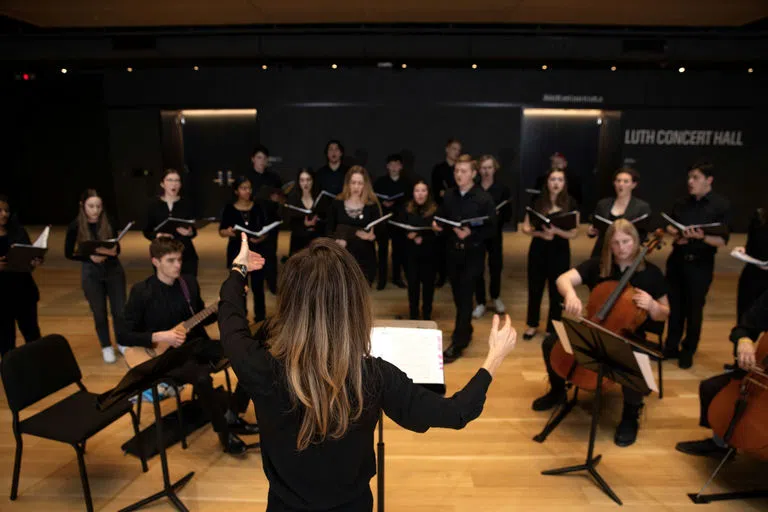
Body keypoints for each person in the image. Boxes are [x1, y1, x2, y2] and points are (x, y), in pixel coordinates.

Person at [219, 234, 518, 511]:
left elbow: (231, 319)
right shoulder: (374, 377)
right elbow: (457, 412)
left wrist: (239, 270)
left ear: (289, 303)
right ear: (354, 303)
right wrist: (493, 358)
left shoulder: (257, 367)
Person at [532, 219, 670, 446]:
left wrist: (654, 307)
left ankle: (630, 415)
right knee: (550, 343)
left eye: (626, 241)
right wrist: (570, 295)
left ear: (636, 241)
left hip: (628, 336)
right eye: (615, 243)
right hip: (594, 328)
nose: (622, 247)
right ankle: (557, 391)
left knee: (634, 363)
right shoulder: (598, 265)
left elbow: (665, 313)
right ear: (609, 245)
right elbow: (562, 279)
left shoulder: (651, 274)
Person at [118, 237, 258, 455]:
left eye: (180, 260)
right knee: (202, 377)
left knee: (248, 354)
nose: (177, 265)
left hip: (195, 344)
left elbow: (202, 318)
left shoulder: (188, 283)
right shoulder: (141, 292)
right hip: (166, 358)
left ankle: (234, 413)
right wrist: (160, 336)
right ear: (155, 261)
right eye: (171, 260)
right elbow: (123, 334)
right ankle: (224, 433)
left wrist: (231, 302)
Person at [675, 287, 766, 458]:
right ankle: (720, 445)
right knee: (711, 388)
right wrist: (744, 340)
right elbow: (744, 327)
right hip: (762, 377)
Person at [663, 162, 730, 369]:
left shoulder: (720, 205)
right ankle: (670, 346)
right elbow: (669, 224)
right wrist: (677, 233)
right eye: (689, 177)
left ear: (708, 180)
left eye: (695, 178)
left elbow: (722, 240)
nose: (690, 182)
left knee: (694, 308)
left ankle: (688, 349)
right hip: (677, 261)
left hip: (700, 264)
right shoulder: (682, 202)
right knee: (674, 306)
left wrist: (701, 238)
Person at [433, 154, 497, 363]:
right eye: (456, 171)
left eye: (463, 171)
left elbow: (492, 228)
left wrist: (471, 234)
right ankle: (466, 328)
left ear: (473, 173)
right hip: (452, 252)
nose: (459, 175)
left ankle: (458, 342)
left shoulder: (483, 198)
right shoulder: (449, 195)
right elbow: (441, 216)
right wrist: (437, 226)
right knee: (458, 295)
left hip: (473, 253)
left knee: (465, 294)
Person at [65, 189, 126, 364]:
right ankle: (106, 345)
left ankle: (122, 341)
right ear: (83, 206)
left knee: (119, 310)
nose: (95, 210)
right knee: (99, 312)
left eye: (98, 206)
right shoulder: (75, 225)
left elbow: (118, 248)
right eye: (91, 206)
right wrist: (89, 257)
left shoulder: (109, 221)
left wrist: (112, 251)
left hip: (113, 270)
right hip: (91, 273)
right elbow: (69, 253)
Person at [521, 168, 579, 341]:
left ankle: (552, 326)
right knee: (535, 287)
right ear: (547, 182)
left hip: (560, 249)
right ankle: (532, 324)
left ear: (564, 183)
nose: (556, 183)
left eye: (560, 180)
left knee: (557, 290)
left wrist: (556, 231)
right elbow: (525, 227)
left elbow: (574, 232)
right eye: (553, 179)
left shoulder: (570, 202)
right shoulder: (537, 201)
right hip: (538, 248)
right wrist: (540, 234)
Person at [219, 176, 273, 324]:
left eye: (249, 188)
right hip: (236, 251)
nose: (247, 191)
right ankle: (241, 318)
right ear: (236, 190)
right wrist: (229, 232)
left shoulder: (257, 207)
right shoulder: (230, 208)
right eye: (243, 188)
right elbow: (222, 231)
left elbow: (265, 229)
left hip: (256, 250)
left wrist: (260, 237)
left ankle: (260, 319)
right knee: (239, 287)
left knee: (258, 287)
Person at [0, 195, 42, 356]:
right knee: (5, 339)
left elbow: (27, 260)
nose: (4, 214)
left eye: (6, 210)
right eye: (0, 210)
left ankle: (39, 371)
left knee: (32, 335)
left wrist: (33, 261)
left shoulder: (18, 231)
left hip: (24, 292)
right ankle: (13, 375)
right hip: (2, 297)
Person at [327, 166, 382, 285]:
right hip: (342, 259)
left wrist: (373, 236)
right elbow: (329, 229)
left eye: (360, 183)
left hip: (364, 259)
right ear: (348, 183)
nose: (356, 187)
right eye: (353, 183)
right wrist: (337, 239)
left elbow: (380, 232)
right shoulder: (337, 203)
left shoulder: (371, 205)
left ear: (365, 185)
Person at [473, 155, 512, 319]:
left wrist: (497, 215)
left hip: (495, 233)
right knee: (477, 268)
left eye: (489, 167)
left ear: (494, 169)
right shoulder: (474, 189)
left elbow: (508, 215)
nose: (486, 171)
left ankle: (495, 297)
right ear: (478, 170)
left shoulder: (502, 189)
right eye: (483, 167)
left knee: (496, 266)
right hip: (478, 234)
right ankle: (480, 302)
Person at [142, 169, 199, 277]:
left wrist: (190, 232)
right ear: (162, 184)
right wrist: (158, 235)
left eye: (177, 180)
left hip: (185, 252)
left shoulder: (186, 203)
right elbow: (146, 230)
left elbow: (193, 230)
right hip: (162, 253)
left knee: (188, 286)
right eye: (170, 180)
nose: (174, 184)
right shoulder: (153, 205)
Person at [587, 167, 652, 258]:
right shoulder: (603, 204)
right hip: (603, 250)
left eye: (625, 181)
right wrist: (591, 230)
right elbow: (595, 225)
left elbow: (643, 235)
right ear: (614, 183)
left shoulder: (642, 207)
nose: (621, 184)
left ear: (633, 185)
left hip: (627, 252)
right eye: (618, 181)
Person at [400, 180, 438, 320]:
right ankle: (414, 314)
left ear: (428, 193)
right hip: (411, 254)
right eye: (417, 191)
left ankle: (427, 314)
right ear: (413, 193)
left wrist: (421, 236)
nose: (420, 194)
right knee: (413, 286)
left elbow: (438, 233)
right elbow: (401, 228)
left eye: (423, 191)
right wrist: (409, 235)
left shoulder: (435, 209)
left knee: (428, 287)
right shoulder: (407, 209)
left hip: (430, 254)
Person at [248, 145, 282, 295]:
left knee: (271, 254)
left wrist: (277, 198)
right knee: (253, 253)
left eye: (264, 158)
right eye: (259, 158)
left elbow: (281, 199)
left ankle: (272, 284)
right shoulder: (247, 178)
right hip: (253, 220)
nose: (262, 161)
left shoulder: (274, 178)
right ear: (253, 159)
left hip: (270, 220)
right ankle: (255, 285)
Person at [373, 153, 410, 290]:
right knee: (382, 251)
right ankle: (381, 279)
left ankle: (396, 278)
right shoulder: (380, 182)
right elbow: (374, 199)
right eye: (391, 164)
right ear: (387, 166)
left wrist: (395, 203)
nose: (394, 167)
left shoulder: (406, 183)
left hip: (399, 221)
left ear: (401, 166)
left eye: (397, 164)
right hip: (383, 221)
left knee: (398, 251)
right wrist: (384, 203)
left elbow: (409, 203)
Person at [431, 138, 462, 287]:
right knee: (441, 245)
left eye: (458, 149)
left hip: (457, 211)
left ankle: (454, 275)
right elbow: (438, 191)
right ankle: (442, 276)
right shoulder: (439, 169)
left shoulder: (460, 170)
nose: (456, 152)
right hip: (443, 210)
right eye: (454, 149)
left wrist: (448, 192)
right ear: (447, 149)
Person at [732, 206, 768, 322]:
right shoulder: (760, 215)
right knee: (745, 323)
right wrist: (744, 251)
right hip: (753, 275)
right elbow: (752, 245)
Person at [284, 168, 323, 256]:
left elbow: (327, 221)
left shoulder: (320, 199)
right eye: (302, 180)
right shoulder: (293, 200)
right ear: (298, 182)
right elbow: (289, 223)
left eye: (308, 180)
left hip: (318, 243)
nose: (305, 183)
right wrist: (304, 224)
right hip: (299, 243)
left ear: (313, 181)